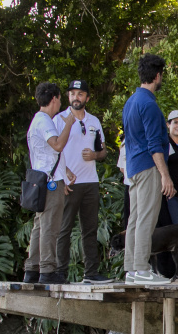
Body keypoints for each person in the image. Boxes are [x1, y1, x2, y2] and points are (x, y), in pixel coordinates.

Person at [50, 79, 113, 284]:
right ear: (68, 96)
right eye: (72, 93)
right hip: (69, 182)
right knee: (64, 228)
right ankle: (60, 272)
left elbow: (103, 151)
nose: (76, 97)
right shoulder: (59, 119)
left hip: (90, 181)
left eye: (80, 94)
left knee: (90, 228)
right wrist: (64, 173)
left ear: (87, 97)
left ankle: (91, 273)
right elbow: (52, 150)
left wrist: (95, 155)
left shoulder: (94, 121)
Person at [121, 53, 175, 285]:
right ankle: (142, 268)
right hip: (148, 167)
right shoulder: (149, 105)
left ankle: (132, 269)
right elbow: (154, 145)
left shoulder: (131, 102)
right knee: (145, 219)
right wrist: (165, 176)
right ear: (157, 75)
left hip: (132, 168)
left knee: (135, 219)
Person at [23, 82, 77, 285]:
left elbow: (48, 154)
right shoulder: (44, 120)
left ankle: (32, 269)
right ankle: (47, 269)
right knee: (50, 226)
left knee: (40, 225)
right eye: (60, 99)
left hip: (43, 178)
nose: (60, 103)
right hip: (50, 182)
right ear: (54, 99)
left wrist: (66, 171)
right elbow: (57, 145)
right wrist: (70, 123)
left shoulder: (38, 120)